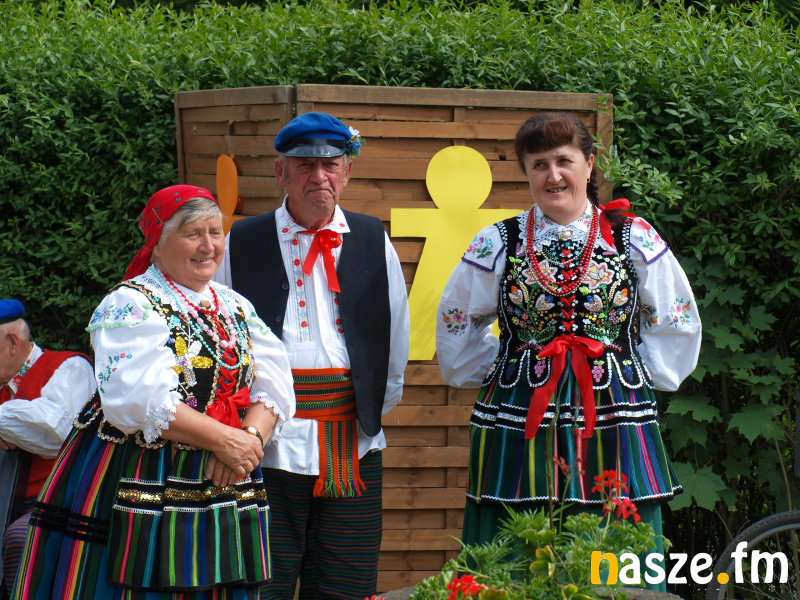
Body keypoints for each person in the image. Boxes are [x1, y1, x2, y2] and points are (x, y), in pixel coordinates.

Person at [436, 113, 701, 591]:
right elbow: (458, 320)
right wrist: (507, 367)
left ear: (589, 164)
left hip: (613, 407)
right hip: (520, 405)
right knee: (514, 540)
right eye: (539, 164)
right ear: (526, 172)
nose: (553, 175)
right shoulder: (499, 240)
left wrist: (634, 369)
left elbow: (674, 317)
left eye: (564, 161)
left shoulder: (631, 235)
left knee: (614, 537)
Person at [11, 185, 296, 599]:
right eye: (193, 233)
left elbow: (275, 382)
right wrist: (225, 441)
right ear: (157, 244)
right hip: (144, 466)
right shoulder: (130, 304)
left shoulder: (235, 304)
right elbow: (140, 401)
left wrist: (248, 440)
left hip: (227, 471)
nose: (208, 245)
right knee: (137, 578)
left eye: (215, 232)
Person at [214, 112, 410, 600]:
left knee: (348, 580)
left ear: (347, 172)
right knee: (263, 578)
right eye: (304, 165)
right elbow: (222, 339)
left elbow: (395, 332)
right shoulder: (243, 239)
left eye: (330, 165)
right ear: (281, 173)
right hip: (269, 443)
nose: (318, 176)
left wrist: (370, 407)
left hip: (354, 441)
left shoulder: (371, 236)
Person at [0, 299, 95, 593]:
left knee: (21, 537)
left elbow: (56, 431)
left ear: (12, 342)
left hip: (57, 501)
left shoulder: (69, 367)